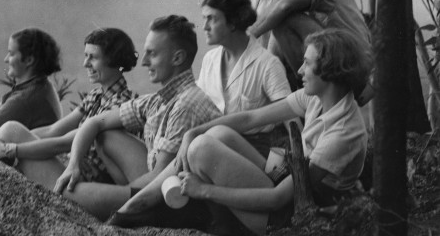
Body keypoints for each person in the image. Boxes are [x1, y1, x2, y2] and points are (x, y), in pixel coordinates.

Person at [111, 28, 372, 236]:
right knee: (216, 135)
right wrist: (193, 132)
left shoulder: (344, 133)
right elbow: (249, 118)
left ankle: (181, 212)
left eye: (307, 63)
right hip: (289, 180)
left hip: (292, 214)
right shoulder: (317, 97)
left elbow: (278, 199)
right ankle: (138, 206)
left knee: (203, 150)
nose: (300, 70)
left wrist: (204, 190)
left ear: (330, 70)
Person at [52, 15, 222, 220]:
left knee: (68, 193)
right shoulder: (158, 100)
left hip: (170, 199)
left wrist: (121, 203)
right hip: (150, 182)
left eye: (152, 54)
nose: (143, 61)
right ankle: (120, 197)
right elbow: (95, 122)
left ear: (177, 58)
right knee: (106, 134)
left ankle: (132, 206)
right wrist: (73, 165)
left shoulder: (187, 104)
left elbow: (159, 178)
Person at [0, 28, 138, 189]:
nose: (85, 64)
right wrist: (9, 140)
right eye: (85, 56)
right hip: (75, 169)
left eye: (93, 58)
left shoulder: (122, 104)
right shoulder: (97, 95)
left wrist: (8, 149)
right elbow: (54, 130)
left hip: (88, 183)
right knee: (10, 130)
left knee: (9, 136)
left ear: (114, 60)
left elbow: (63, 143)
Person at [198, 0, 292, 157]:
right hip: (212, 146)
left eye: (211, 19)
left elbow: (289, 115)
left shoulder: (267, 64)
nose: (205, 26)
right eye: (204, 19)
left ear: (233, 22)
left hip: (253, 154)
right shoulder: (209, 60)